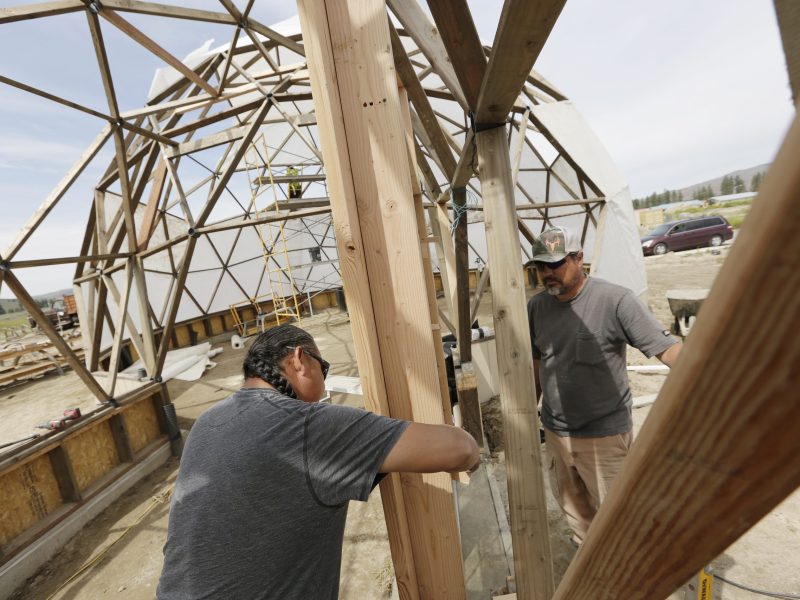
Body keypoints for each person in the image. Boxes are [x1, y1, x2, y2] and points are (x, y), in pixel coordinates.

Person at [157, 324, 479, 600]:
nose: (324, 384)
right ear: (299, 360)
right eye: (323, 370)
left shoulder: (207, 422)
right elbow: (460, 449)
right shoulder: (306, 425)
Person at [527, 226, 681, 546]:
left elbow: (670, 351)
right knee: (577, 517)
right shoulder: (537, 307)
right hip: (557, 433)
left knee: (621, 523)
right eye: (541, 266)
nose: (547, 273)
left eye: (555, 264)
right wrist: (531, 408)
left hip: (604, 437)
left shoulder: (615, 300)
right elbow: (539, 362)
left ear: (580, 258)